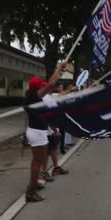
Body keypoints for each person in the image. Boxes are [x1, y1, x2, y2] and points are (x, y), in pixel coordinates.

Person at [24, 61, 67, 202]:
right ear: (37, 88)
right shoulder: (35, 97)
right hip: (37, 133)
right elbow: (50, 85)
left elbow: (49, 88)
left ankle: (35, 183)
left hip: (35, 131)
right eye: (41, 86)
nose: (45, 88)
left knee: (36, 162)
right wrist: (58, 69)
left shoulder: (33, 96)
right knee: (38, 162)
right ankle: (30, 193)